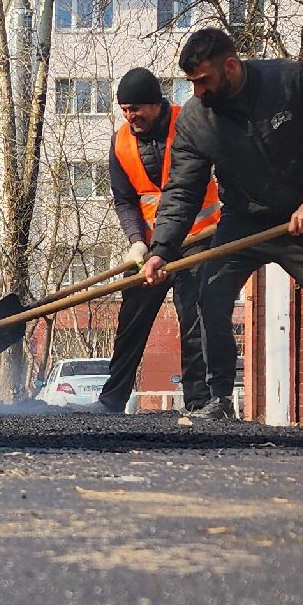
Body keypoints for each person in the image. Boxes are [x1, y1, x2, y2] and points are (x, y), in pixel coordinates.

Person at [138, 27, 303, 429]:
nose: (198, 91)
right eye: (191, 83)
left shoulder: (288, 81)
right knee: (211, 293)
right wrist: (161, 251)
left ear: (230, 65)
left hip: (302, 220)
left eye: (204, 80)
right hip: (242, 222)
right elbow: (182, 192)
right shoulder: (195, 120)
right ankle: (220, 397)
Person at [96, 67, 219, 415]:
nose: (131, 117)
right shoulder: (119, 141)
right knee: (131, 320)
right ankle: (112, 399)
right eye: (124, 110)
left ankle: (198, 403)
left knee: (195, 320)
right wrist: (136, 239)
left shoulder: (189, 124)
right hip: (148, 247)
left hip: (198, 239)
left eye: (136, 109)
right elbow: (124, 200)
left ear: (156, 103)